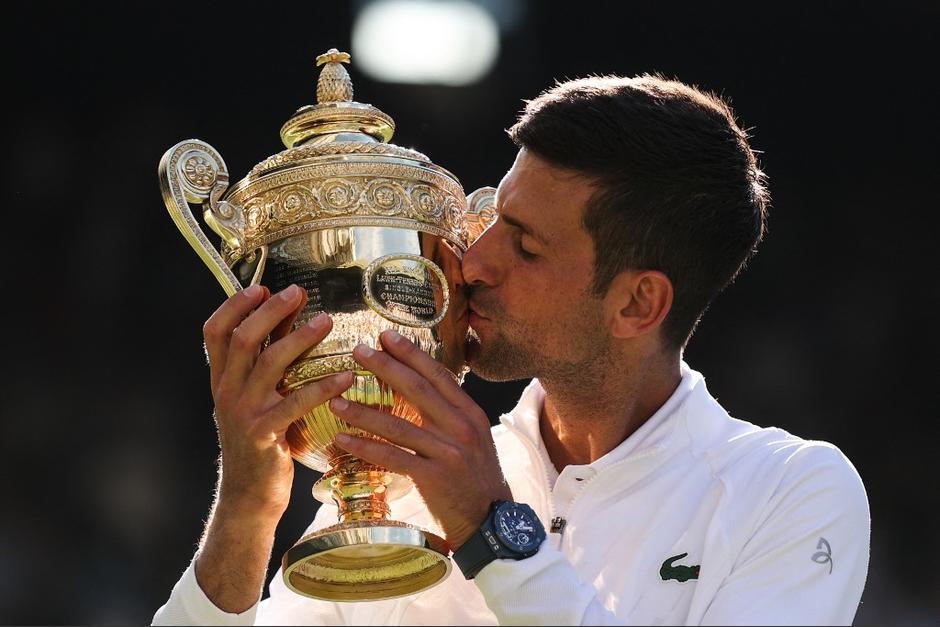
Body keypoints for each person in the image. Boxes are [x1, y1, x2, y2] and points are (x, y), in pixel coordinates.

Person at [153, 74, 870, 625]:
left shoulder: (792, 494)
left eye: (524, 245)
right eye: (493, 218)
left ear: (636, 303)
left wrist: (492, 533)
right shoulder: (398, 480)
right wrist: (247, 506)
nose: (474, 259)